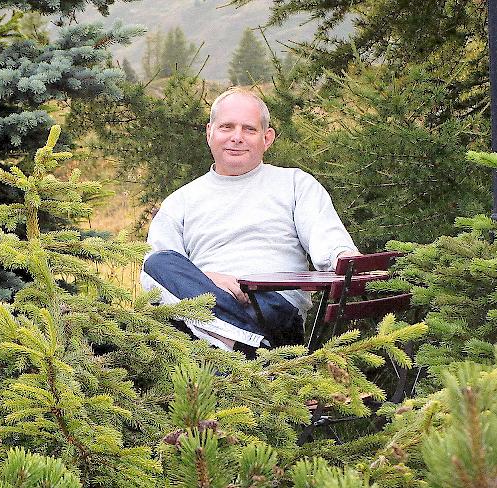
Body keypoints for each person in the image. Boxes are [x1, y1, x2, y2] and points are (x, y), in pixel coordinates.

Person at [140, 88, 359, 356]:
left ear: (267, 138)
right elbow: (156, 276)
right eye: (226, 127)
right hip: (202, 306)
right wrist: (208, 280)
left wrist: (345, 256)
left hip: (273, 310)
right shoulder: (180, 201)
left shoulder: (295, 184)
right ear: (210, 133)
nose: (236, 138)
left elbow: (330, 242)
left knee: (192, 332)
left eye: (249, 129)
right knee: (156, 262)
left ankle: (237, 347)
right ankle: (248, 351)